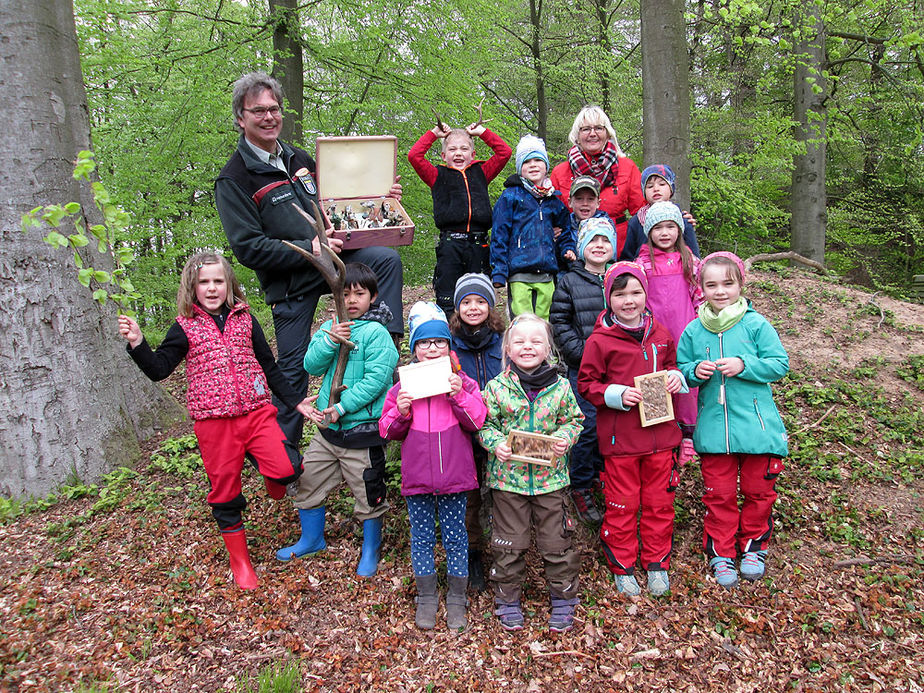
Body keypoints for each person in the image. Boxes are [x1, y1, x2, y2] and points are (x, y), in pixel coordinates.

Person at [215, 71, 404, 454]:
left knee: (385, 260)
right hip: (290, 284)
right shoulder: (234, 179)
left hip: (335, 268)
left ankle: (381, 344)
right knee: (294, 370)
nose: (269, 117)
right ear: (240, 118)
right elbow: (248, 248)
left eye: (274, 109)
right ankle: (284, 457)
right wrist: (309, 246)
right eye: (258, 111)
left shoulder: (300, 158)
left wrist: (380, 196)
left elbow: (338, 200)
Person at [118, 252, 313, 590]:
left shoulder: (246, 321)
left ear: (229, 284)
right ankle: (241, 563)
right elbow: (159, 369)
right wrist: (138, 343)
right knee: (225, 492)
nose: (211, 288)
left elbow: (270, 366)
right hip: (214, 423)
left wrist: (296, 402)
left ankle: (273, 477)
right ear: (192, 287)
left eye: (218, 281)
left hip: (256, 413)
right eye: (204, 282)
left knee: (286, 467)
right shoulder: (184, 327)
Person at [275, 263, 398, 577]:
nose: (353, 300)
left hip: (362, 433)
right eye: (346, 295)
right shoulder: (329, 328)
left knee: (368, 492)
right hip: (327, 433)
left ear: (373, 296)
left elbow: (376, 382)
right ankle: (311, 538)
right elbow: (311, 366)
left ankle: (371, 549)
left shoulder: (377, 333)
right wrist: (330, 340)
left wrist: (341, 407)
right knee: (307, 481)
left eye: (360, 294)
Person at [676, 252, 789, 589]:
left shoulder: (756, 324)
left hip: (758, 429)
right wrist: (694, 371)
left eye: (728, 283)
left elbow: (780, 364)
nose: (720, 291)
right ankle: (721, 553)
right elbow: (681, 371)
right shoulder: (694, 330)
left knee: (758, 493)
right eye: (711, 284)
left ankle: (754, 548)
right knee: (719, 496)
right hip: (713, 432)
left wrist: (745, 365)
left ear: (741, 284)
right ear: (701, 287)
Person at [577, 262, 686, 597]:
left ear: (645, 294)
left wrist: (675, 378)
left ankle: (657, 563)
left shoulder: (660, 333)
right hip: (621, 440)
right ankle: (622, 566)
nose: (629, 300)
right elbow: (586, 384)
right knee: (623, 504)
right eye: (619, 294)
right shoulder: (599, 340)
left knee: (659, 503)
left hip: (661, 439)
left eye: (636, 292)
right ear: (608, 298)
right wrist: (616, 394)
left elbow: (671, 366)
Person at [380, 302, 487, 631]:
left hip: (456, 477)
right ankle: (426, 597)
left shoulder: (462, 382)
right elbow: (387, 430)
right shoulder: (403, 386)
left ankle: (457, 597)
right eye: (424, 343)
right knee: (422, 538)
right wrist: (400, 410)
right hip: (418, 479)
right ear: (414, 348)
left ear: (449, 346)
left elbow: (478, 420)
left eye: (440, 342)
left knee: (457, 538)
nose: (432, 348)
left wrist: (459, 396)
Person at [479, 314, 584, 632]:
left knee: (557, 542)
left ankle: (564, 597)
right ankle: (507, 598)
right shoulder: (496, 389)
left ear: (548, 348)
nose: (528, 347)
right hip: (508, 481)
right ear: (508, 349)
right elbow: (484, 424)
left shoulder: (561, 387)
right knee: (508, 543)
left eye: (536, 341)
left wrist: (566, 439)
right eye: (520, 342)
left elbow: (574, 420)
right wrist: (496, 444)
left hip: (551, 480)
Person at [549, 217, 616, 525]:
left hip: (617, 370)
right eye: (593, 241)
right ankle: (581, 485)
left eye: (605, 240)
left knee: (612, 427)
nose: (599, 246)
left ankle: (606, 477)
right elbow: (560, 322)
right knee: (586, 429)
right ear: (581, 247)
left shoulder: (621, 277)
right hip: (583, 370)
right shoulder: (569, 281)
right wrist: (582, 355)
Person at [408, 121, 511, 315]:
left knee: (480, 295)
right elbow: (414, 156)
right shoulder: (436, 175)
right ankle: (449, 336)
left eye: (464, 149)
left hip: (479, 244)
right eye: (452, 149)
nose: (458, 153)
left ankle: (482, 337)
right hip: (450, 245)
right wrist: (434, 134)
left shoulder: (481, 172)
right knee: (448, 294)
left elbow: (504, 152)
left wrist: (482, 133)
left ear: (472, 155)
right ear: (443, 155)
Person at [448, 273, 506, 591]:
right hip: (463, 432)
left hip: (498, 429)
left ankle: (506, 553)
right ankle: (472, 556)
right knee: (468, 498)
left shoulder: (503, 339)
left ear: (490, 306)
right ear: (458, 307)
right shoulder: (449, 344)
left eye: (480, 301)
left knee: (501, 495)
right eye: (466, 302)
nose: (473, 308)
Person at [635, 201, 703, 466]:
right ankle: (660, 432)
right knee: (655, 378)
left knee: (685, 383)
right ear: (649, 231)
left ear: (680, 230)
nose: (665, 233)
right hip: (653, 335)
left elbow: (700, 297)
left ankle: (687, 435)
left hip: (686, 332)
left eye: (671, 227)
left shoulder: (690, 260)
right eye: (658, 227)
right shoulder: (641, 263)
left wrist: (700, 326)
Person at [491, 135, 572, 320]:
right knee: (522, 319)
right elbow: (499, 234)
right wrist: (499, 271)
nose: (533, 165)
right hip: (519, 271)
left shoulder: (553, 200)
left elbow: (565, 228)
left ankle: (545, 349)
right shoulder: (510, 197)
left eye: (538, 160)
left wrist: (567, 249)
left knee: (546, 320)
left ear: (546, 166)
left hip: (547, 271)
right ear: (520, 168)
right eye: (527, 161)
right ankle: (519, 348)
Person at [550, 105, 645, 258]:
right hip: (572, 253)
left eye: (598, 128)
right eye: (586, 129)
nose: (592, 134)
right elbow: (549, 213)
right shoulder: (560, 172)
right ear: (577, 135)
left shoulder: (627, 167)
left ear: (607, 133)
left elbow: (643, 211)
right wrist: (549, 228)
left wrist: (676, 216)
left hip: (618, 250)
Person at [620, 164, 700, 261]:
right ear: (644, 192)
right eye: (650, 186)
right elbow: (627, 257)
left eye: (662, 184)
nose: (656, 189)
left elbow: (695, 257)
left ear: (671, 189)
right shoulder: (636, 221)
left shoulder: (683, 219)